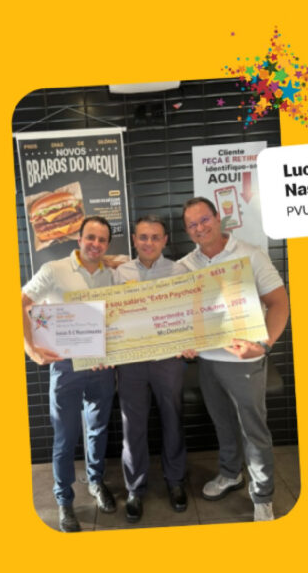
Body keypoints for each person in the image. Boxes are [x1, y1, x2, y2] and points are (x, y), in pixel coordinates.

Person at [178, 197, 290, 522]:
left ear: (217, 218)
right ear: (187, 231)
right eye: (192, 225)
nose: (200, 228)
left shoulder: (251, 254)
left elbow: (279, 303)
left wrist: (264, 346)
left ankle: (263, 495)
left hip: (245, 361)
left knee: (253, 429)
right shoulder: (185, 265)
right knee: (223, 423)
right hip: (207, 361)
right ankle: (231, 474)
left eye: (204, 219)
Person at [22, 216, 118, 532]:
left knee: (98, 428)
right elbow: (20, 303)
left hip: (101, 366)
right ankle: (64, 499)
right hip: (65, 367)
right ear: (79, 238)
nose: (96, 244)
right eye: (91, 237)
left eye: (102, 240)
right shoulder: (54, 270)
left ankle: (95, 481)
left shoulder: (110, 274)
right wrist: (32, 349)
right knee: (65, 436)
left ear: (107, 244)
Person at [113, 215, 191, 523]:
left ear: (165, 240)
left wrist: (190, 340)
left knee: (173, 419)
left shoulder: (179, 271)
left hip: (168, 359)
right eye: (143, 237)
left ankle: (176, 481)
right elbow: (109, 313)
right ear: (134, 240)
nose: (149, 243)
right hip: (131, 360)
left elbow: (190, 310)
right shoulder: (120, 273)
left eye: (155, 237)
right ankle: (135, 487)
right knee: (132, 425)